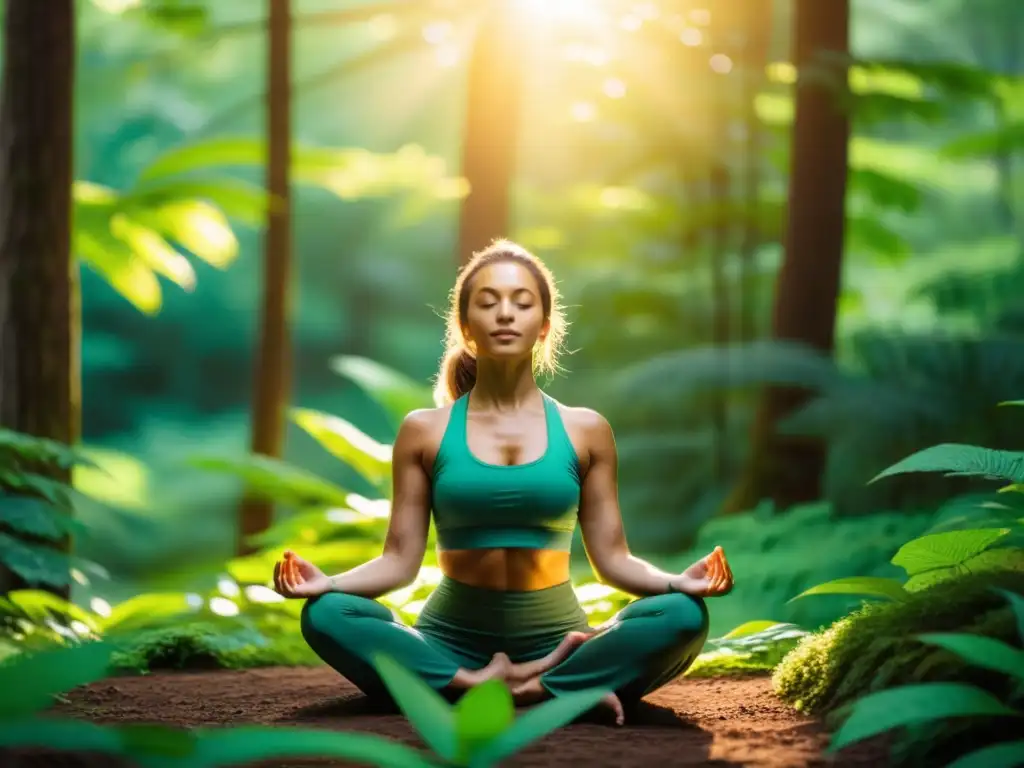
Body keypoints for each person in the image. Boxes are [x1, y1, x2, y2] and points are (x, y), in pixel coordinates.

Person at [272, 239, 734, 725]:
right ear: (467, 329)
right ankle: (489, 684)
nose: (506, 314)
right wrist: (329, 584)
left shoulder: (586, 429)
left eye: (522, 302)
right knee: (326, 614)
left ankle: (541, 682)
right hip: (447, 644)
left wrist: (676, 582)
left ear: (545, 326)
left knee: (683, 615)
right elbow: (398, 561)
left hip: (559, 644)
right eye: (488, 303)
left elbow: (613, 560)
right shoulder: (424, 430)